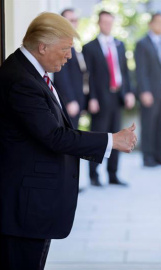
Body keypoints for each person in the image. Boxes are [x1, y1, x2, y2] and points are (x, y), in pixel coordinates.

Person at [0, 12, 137, 270]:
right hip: (25, 207)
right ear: (42, 46)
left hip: (32, 206)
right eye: (65, 49)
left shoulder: (29, 72)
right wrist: (111, 141)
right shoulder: (21, 80)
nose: (69, 56)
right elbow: (54, 136)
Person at [83, 10, 135, 187]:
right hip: (100, 99)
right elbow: (87, 76)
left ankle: (113, 174)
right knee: (98, 137)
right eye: (104, 22)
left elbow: (125, 72)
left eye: (110, 22)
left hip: (117, 97)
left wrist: (128, 92)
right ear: (99, 23)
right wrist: (92, 98)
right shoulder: (89, 47)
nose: (107, 25)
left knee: (117, 136)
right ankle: (94, 175)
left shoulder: (120, 45)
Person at [134, 12, 161, 167]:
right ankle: (148, 158)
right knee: (148, 125)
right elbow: (140, 70)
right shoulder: (142, 44)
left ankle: (160, 157)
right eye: (158, 22)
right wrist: (144, 91)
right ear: (151, 24)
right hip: (150, 92)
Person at [54, 8, 88, 129]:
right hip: (69, 100)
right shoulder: (61, 44)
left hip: (78, 98)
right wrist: (69, 100)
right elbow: (61, 74)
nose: (74, 23)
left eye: (76, 20)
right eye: (71, 20)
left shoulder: (73, 43)